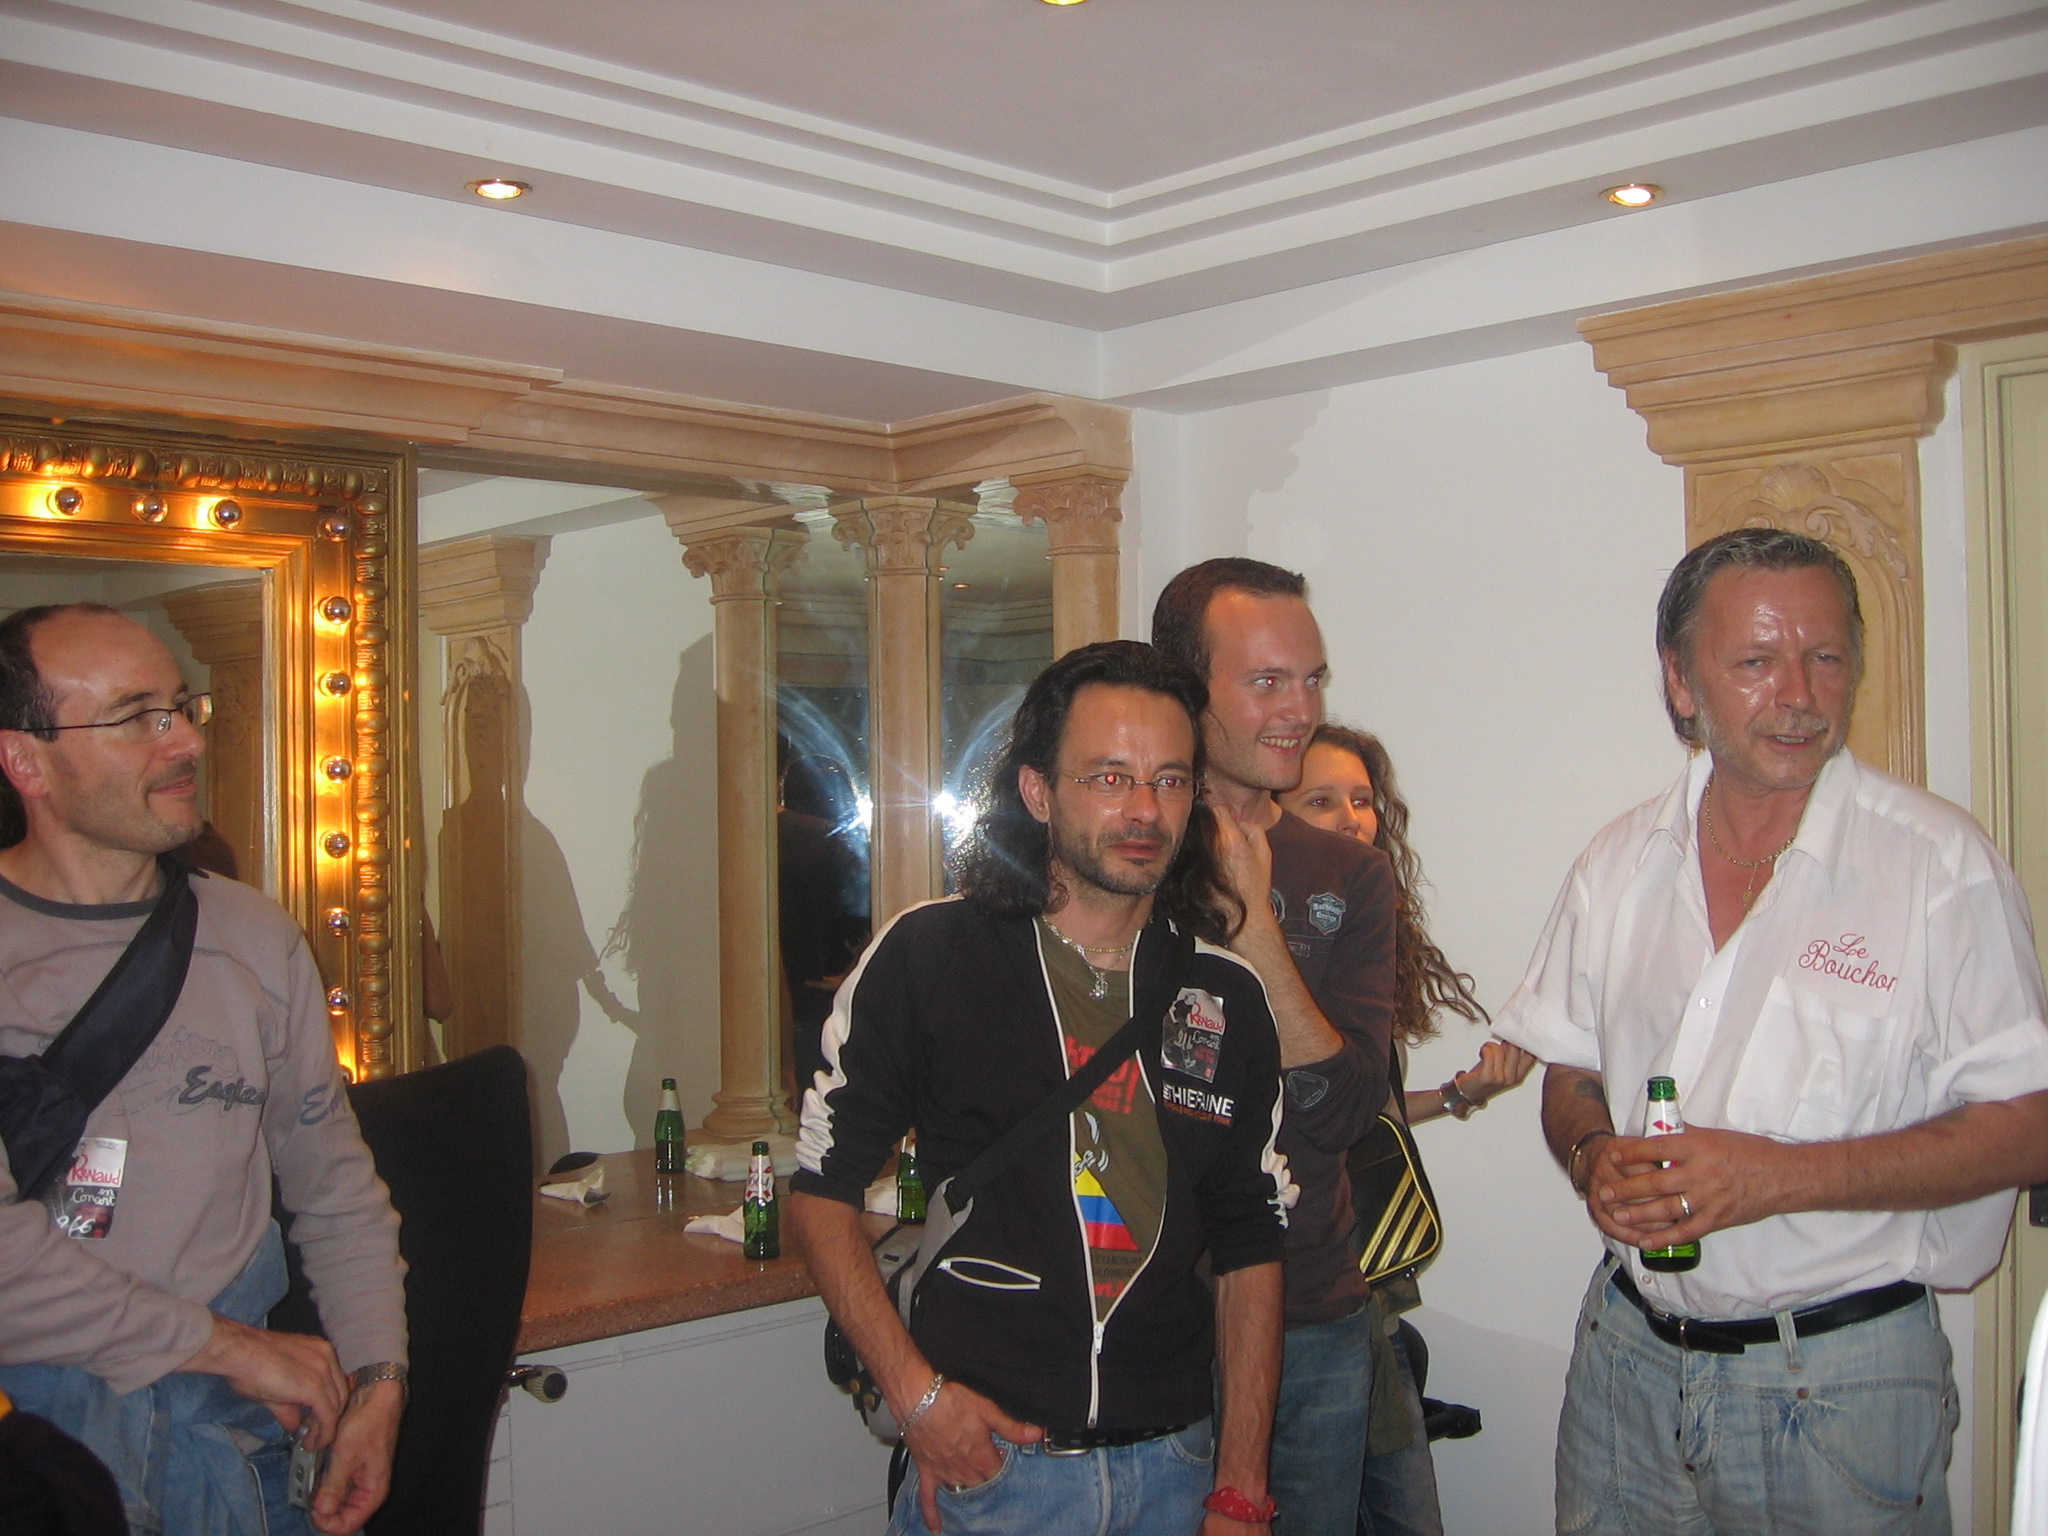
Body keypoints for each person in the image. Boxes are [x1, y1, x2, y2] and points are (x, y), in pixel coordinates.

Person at [1493, 528, 2048, 1535]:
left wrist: (1776, 1177)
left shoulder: (1938, 866)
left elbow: (2027, 1125)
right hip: (1626, 1361)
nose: (1798, 694)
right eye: (1755, 661)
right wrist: (1589, 1154)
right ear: (1680, 682)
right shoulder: (1617, 861)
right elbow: (1570, 1065)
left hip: (1839, 1382)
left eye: (1824, 657)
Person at [790, 640, 1289, 1536]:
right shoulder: (930, 956)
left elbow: (1251, 1244)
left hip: (1177, 1468)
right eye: (1109, 778)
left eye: (1171, 780)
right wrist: (917, 1399)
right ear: (1037, 792)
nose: (1145, 809)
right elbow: (824, 1195)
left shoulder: (1224, 995)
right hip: (992, 1470)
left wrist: (1241, 1488)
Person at [0, 604, 407, 1536]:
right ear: (26, 760)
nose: (184, 739)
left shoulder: (254, 935)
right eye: (136, 716)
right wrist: (223, 1347)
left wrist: (380, 1380)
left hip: (237, 1446)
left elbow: (334, 1188)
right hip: (45, 1448)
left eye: (182, 707)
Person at [1152, 560, 1396, 1536]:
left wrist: (1254, 927)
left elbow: (1345, 1109)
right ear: (1189, 688)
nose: (1301, 710)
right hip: (1146, 1310)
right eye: (1267, 682)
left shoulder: (1349, 874)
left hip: (1309, 1311)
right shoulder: (1127, 854)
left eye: (1311, 679)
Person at [1276, 723, 1534, 1536]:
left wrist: (1461, 1094)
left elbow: (1362, 1107)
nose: (1353, 819)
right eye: (1322, 801)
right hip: (1299, 1296)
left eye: (1363, 801)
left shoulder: (1357, 931)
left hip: (1367, 1291)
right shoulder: (1257, 948)